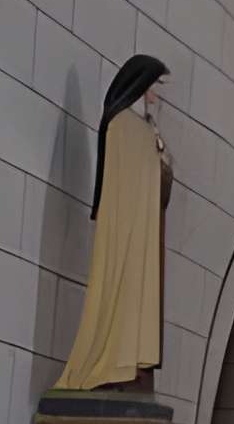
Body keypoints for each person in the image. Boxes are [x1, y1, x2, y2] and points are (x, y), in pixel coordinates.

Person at [55, 54, 171, 392]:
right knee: (117, 287)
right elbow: (128, 180)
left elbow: (155, 179)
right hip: (125, 226)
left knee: (133, 289)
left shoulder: (137, 127)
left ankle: (125, 361)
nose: (155, 96)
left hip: (138, 226)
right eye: (154, 86)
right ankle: (109, 363)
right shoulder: (123, 126)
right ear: (141, 83)